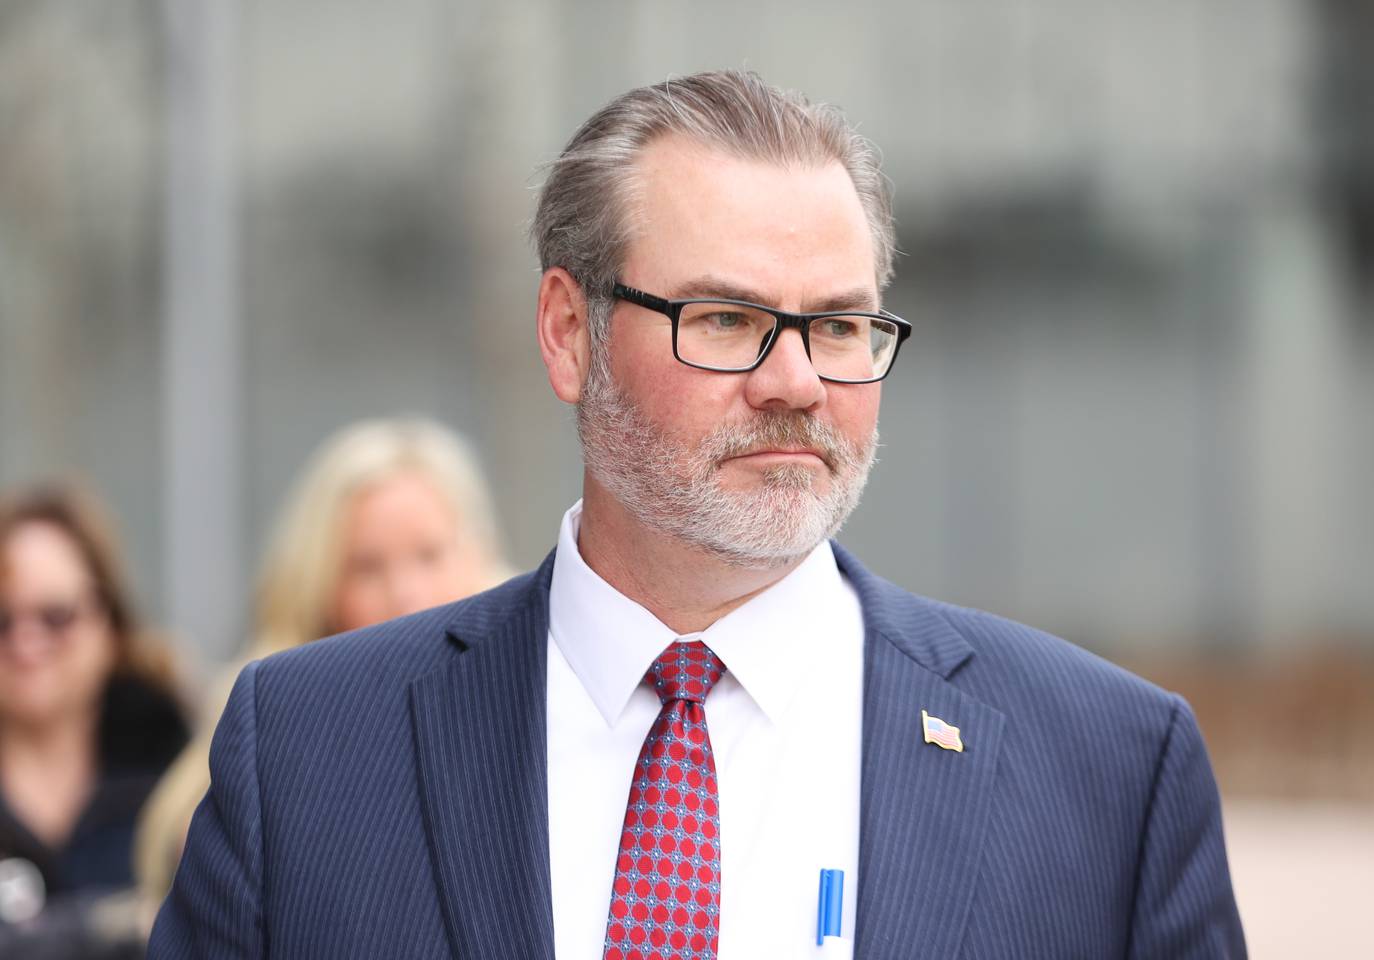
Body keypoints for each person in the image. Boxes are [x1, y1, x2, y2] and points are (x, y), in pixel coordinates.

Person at [150, 71, 1246, 959]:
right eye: (725, 318)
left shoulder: (1106, 771)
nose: (796, 383)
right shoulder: (308, 752)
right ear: (569, 333)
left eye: (839, 325)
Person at [134, 417, 513, 923]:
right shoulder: (264, 716)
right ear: (319, 585)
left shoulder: (531, 696)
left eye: (430, 555)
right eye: (367, 567)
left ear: (478, 558)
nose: (407, 593)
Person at [0, 483, 188, 956]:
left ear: (109, 622)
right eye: (1, 620)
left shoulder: (181, 770)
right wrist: (117, 923)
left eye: (56, 616)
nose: (26, 641)